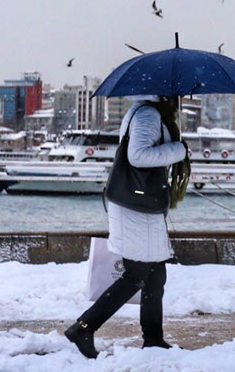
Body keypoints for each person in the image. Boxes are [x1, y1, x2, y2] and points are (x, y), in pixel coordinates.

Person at [65, 95, 188, 358]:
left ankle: (154, 339)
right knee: (136, 274)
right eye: (175, 95)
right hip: (136, 206)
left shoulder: (147, 112)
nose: (179, 99)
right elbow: (138, 156)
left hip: (141, 204)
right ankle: (83, 327)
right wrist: (178, 150)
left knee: (155, 274)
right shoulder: (148, 115)